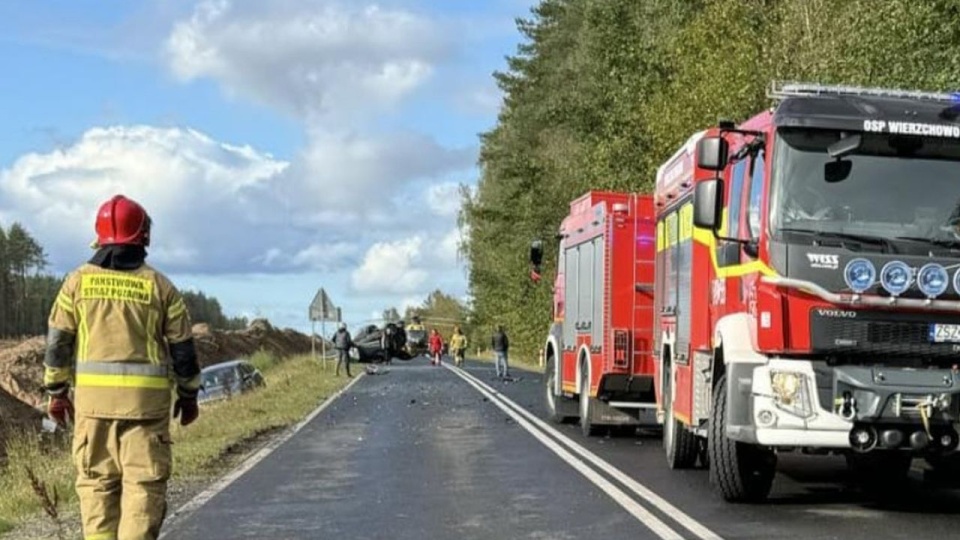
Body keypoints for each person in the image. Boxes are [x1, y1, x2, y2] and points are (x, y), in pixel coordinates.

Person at [43, 194, 201, 540]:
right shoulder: (160, 287)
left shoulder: (76, 283)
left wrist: (56, 392)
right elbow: (184, 353)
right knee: (143, 493)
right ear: (143, 236)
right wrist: (189, 397)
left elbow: (57, 346)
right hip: (146, 413)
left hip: (93, 411)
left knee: (97, 491)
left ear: (99, 237)